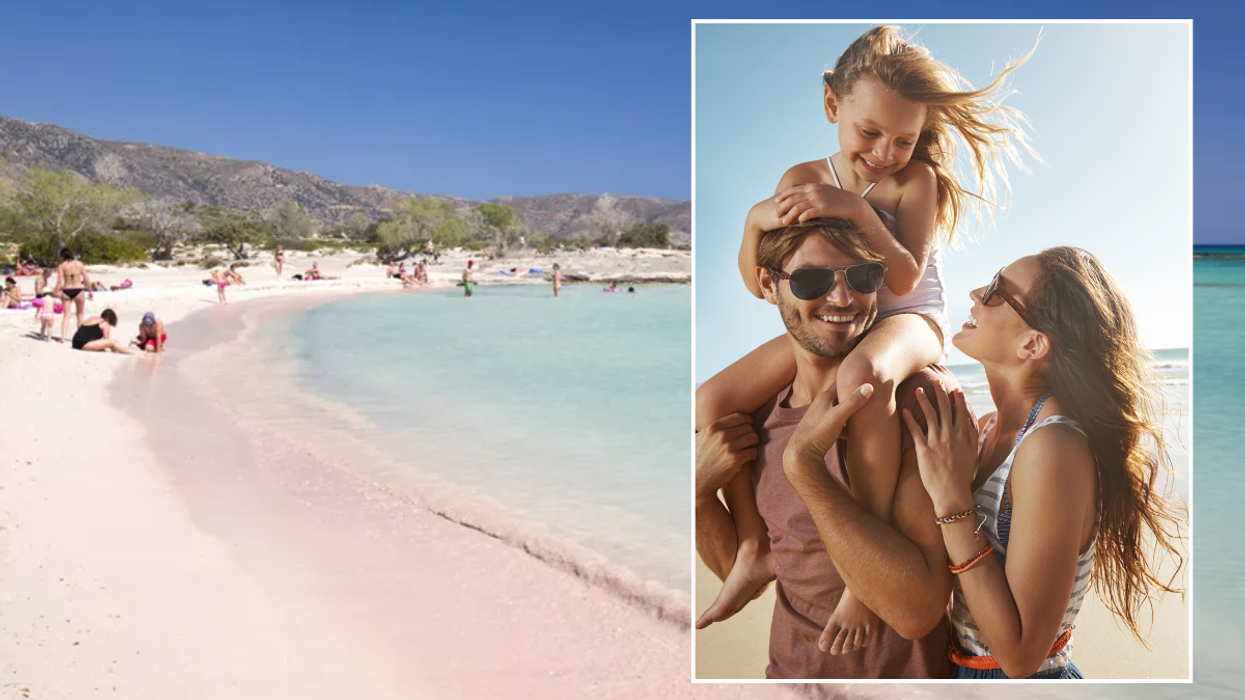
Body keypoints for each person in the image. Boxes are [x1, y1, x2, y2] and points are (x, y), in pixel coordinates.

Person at [697, 25, 1039, 644]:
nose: (884, 153)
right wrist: (753, 221)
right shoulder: (802, 173)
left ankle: (863, 575)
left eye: (903, 139)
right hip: (841, 314)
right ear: (833, 106)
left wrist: (856, 209)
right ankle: (751, 546)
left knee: (863, 379)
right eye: (870, 133)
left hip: (910, 321)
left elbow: (905, 280)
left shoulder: (915, 183)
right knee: (709, 402)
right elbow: (762, 278)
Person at [886, 248, 1184, 678]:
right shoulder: (987, 428)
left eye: (995, 292)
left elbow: (1022, 655)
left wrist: (952, 501)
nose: (974, 293)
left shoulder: (1052, 449)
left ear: (1033, 343)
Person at [696, 219, 961, 678]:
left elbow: (916, 613)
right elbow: (741, 567)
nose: (843, 299)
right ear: (768, 283)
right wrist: (698, 492)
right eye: (811, 279)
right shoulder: (756, 415)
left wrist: (805, 468)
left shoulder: (914, 403)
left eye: (862, 277)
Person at [54, 248, 94, 344]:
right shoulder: (79, 264)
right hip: (78, 290)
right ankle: (81, 338)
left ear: (62, 256)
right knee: (79, 315)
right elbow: (86, 278)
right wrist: (90, 290)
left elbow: (59, 282)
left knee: (66, 315)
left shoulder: (61, 266)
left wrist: (54, 292)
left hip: (66, 290)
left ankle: (63, 338)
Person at [70, 308, 140, 354]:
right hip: (83, 345)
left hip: (75, 342)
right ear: (108, 318)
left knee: (113, 343)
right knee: (113, 342)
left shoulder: (92, 318)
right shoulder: (105, 323)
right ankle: (133, 352)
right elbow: (107, 341)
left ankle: (128, 350)